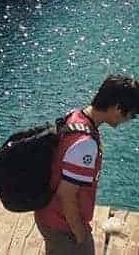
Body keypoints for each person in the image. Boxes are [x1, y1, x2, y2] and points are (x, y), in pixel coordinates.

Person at [34, 74, 139, 255]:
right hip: (63, 225)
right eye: (132, 115)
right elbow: (66, 194)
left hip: (48, 216)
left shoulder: (75, 116)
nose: (129, 120)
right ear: (117, 108)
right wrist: (80, 233)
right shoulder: (85, 144)